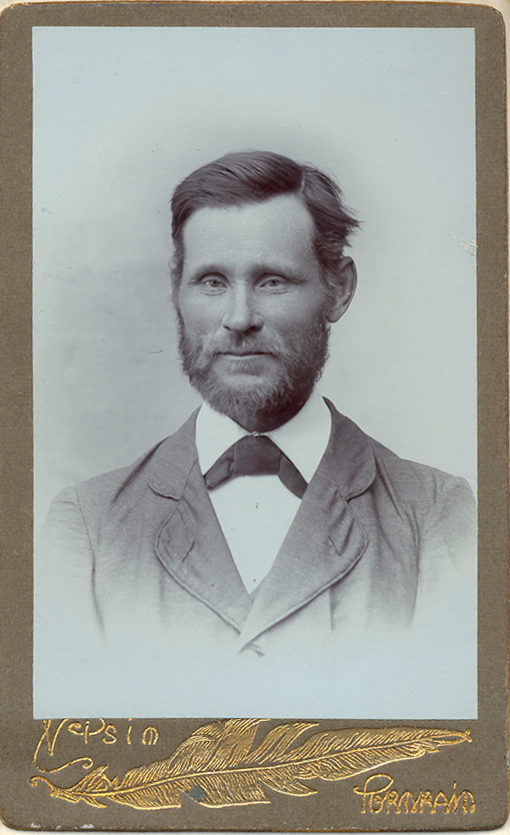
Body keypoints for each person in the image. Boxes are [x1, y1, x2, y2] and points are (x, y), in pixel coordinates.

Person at [34, 151, 476, 718]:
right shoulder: (87, 527)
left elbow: (444, 741)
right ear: (176, 290)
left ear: (339, 290)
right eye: (211, 281)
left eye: (272, 281)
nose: (239, 317)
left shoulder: (435, 515)